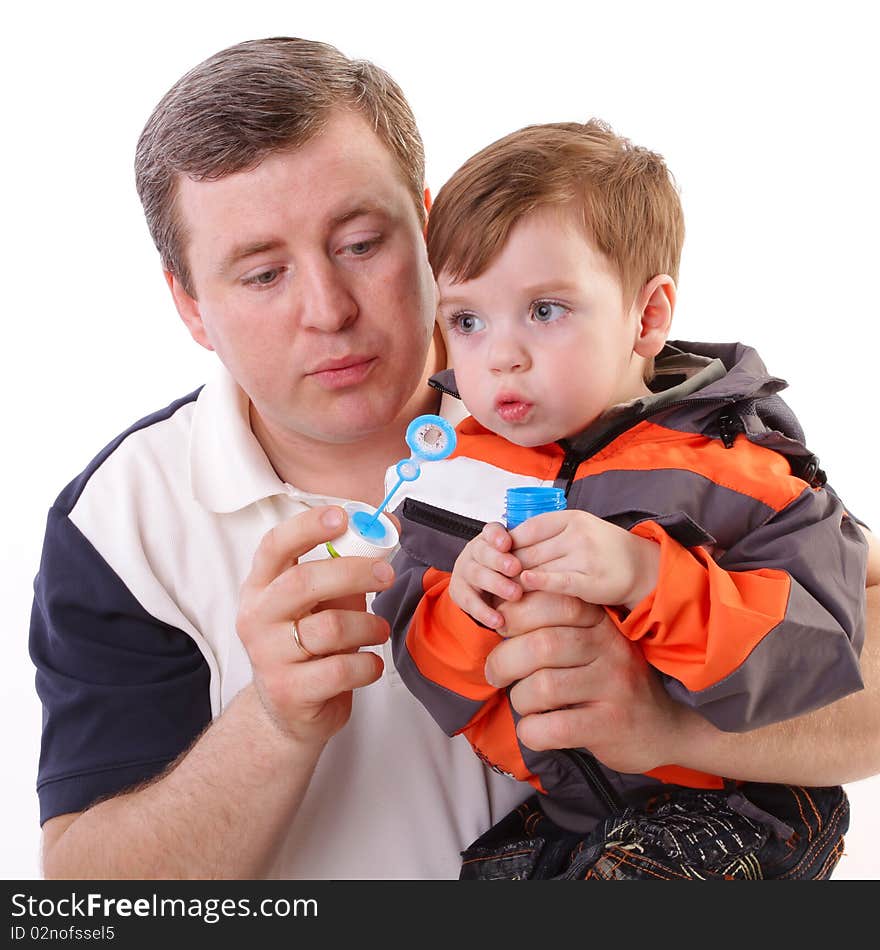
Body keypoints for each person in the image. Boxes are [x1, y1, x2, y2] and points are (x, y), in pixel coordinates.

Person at [28, 37, 880, 881]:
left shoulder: (583, 383)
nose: (328, 310)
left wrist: (666, 725)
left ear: (429, 227)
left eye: (362, 243)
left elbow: (848, 634)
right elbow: (86, 899)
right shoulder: (120, 522)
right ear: (190, 306)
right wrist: (274, 725)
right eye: (261, 274)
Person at [372, 119, 867, 879]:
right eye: (466, 320)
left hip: (739, 808)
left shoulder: (740, 468)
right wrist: (464, 608)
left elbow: (811, 651)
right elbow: (429, 673)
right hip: (569, 811)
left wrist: (648, 577)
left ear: (648, 317)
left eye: (545, 310)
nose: (501, 354)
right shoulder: (453, 473)